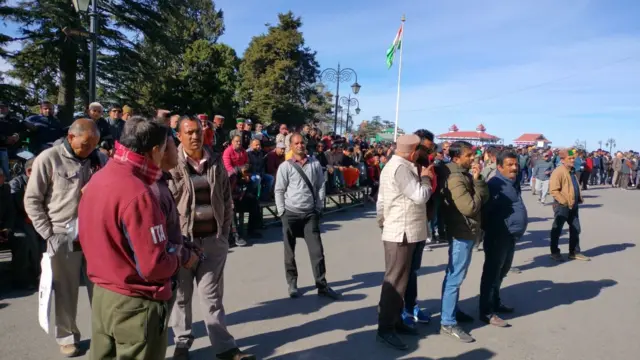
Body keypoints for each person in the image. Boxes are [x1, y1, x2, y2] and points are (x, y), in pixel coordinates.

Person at [79, 117, 198, 360]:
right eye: (165, 148)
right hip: (135, 304)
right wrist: (182, 258)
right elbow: (154, 266)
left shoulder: (99, 178)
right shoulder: (138, 192)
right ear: (154, 151)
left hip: (103, 295)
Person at [168, 116, 255, 360]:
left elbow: (227, 200)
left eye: (198, 131)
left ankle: (224, 348)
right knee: (182, 296)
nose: (195, 136)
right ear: (179, 136)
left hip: (212, 242)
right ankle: (182, 344)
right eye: (189, 133)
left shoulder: (215, 161)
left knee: (212, 297)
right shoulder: (171, 163)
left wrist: (224, 235)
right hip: (183, 243)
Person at [24, 118, 106, 357]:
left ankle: (104, 335)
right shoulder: (48, 158)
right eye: (86, 144)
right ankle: (68, 337)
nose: (90, 149)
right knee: (65, 291)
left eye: (94, 144)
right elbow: (32, 200)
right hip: (61, 235)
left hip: (95, 235)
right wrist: (48, 234)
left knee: (101, 289)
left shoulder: (99, 159)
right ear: (71, 137)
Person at [375, 134, 434, 350]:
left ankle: (396, 322)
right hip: (401, 233)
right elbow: (419, 195)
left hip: (402, 231)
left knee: (401, 282)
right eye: (420, 150)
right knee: (395, 283)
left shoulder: (398, 164)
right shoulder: (400, 167)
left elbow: (381, 201)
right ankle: (385, 329)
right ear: (413, 152)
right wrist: (426, 178)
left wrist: (382, 220)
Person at [274, 133, 340, 300]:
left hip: (310, 214)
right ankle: (292, 283)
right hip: (290, 214)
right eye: (296, 143)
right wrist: (281, 211)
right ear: (291, 146)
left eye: (302, 142)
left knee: (317, 251)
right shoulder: (285, 167)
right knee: (289, 252)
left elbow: (320, 186)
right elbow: (279, 190)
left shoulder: (315, 164)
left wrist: (318, 207)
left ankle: (322, 285)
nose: (300, 145)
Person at [439, 140, 489, 343]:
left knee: (454, 275)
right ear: (456, 157)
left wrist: (477, 180)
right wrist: (476, 183)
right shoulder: (455, 178)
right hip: (461, 231)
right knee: (455, 277)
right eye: (469, 155)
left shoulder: (464, 174)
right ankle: (448, 321)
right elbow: (470, 208)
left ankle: (451, 311)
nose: (473, 158)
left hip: (466, 230)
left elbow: (484, 196)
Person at [479, 150, 528, 327]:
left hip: (510, 236)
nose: (514, 167)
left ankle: (495, 301)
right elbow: (485, 212)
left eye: (515, 164)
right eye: (510, 165)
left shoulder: (513, 182)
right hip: (498, 235)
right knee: (491, 273)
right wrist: (496, 229)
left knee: (503, 270)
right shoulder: (495, 184)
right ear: (499, 167)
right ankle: (486, 311)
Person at [549, 149, 590, 262]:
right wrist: (564, 201)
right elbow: (554, 190)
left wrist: (579, 198)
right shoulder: (558, 172)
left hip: (573, 205)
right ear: (562, 160)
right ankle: (554, 252)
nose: (572, 160)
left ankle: (574, 252)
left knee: (576, 228)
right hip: (562, 205)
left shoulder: (571, 170)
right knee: (557, 229)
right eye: (570, 158)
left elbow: (574, 186)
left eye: (573, 158)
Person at [8, 158, 42, 289]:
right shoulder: (15, 184)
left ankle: (44, 274)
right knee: (27, 239)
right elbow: (17, 208)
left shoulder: (42, 181)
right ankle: (29, 277)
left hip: (37, 219)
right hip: (19, 221)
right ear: (29, 171)